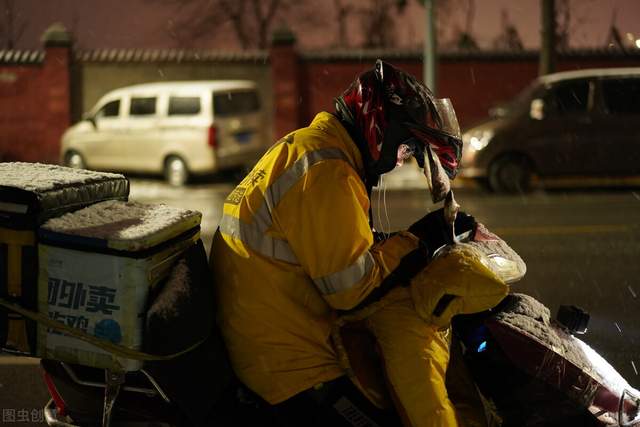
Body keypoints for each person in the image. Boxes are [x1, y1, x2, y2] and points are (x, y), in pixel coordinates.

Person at [210, 60, 506, 426]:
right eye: (406, 150)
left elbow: (337, 247)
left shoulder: (317, 150)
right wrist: (420, 240)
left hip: (276, 328)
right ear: (381, 128)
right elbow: (352, 290)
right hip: (290, 366)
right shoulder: (326, 171)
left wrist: (411, 240)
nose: (401, 162)